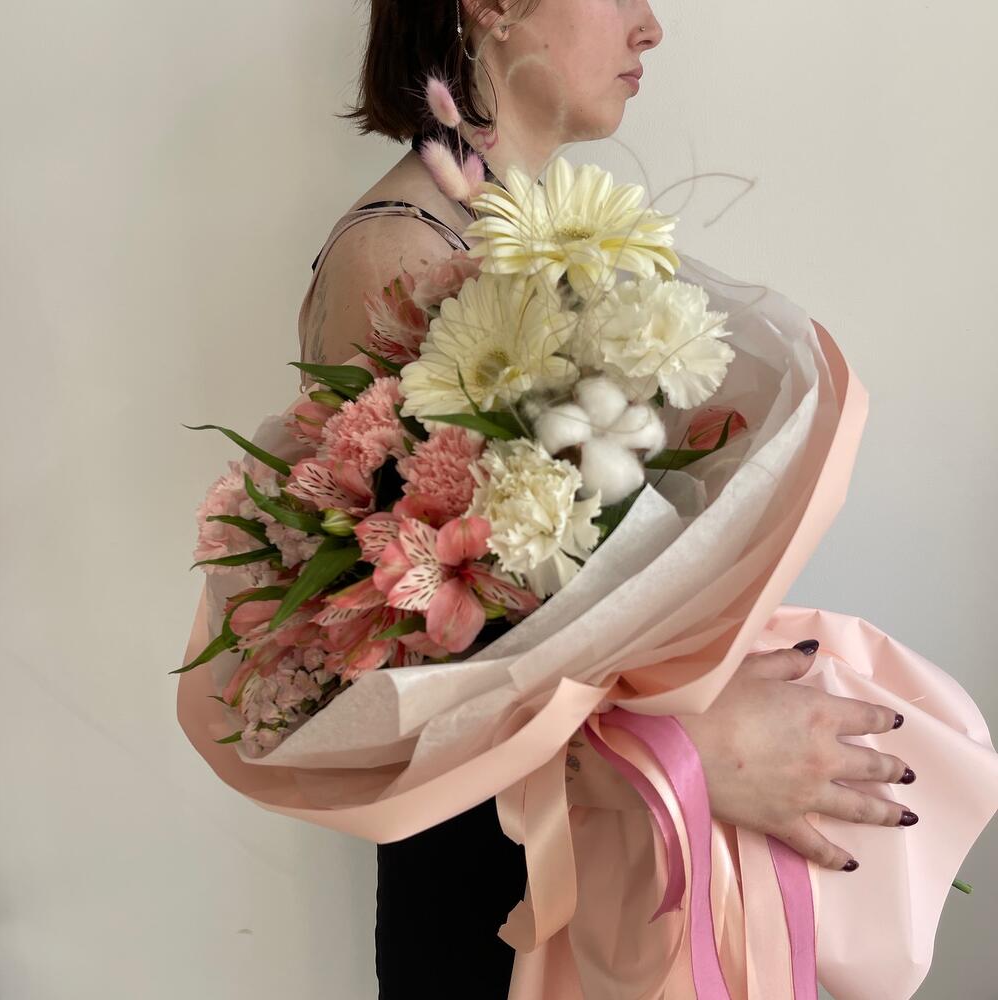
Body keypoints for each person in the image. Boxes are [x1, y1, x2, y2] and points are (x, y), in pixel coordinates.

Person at [296, 2, 918, 995]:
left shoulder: (546, 236)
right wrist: (688, 748)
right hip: (499, 895)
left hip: (603, 872)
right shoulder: (401, 256)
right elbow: (401, 669)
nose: (650, 26)